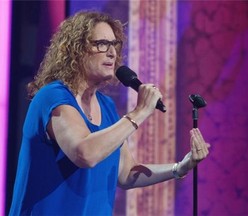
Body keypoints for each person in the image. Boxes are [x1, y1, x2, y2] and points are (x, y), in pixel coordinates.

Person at [9, 10, 210, 215]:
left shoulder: (106, 106)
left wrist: (180, 168)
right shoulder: (52, 96)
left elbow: (126, 173)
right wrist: (139, 112)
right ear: (76, 50)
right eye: (101, 44)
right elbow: (85, 153)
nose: (112, 53)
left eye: (114, 45)